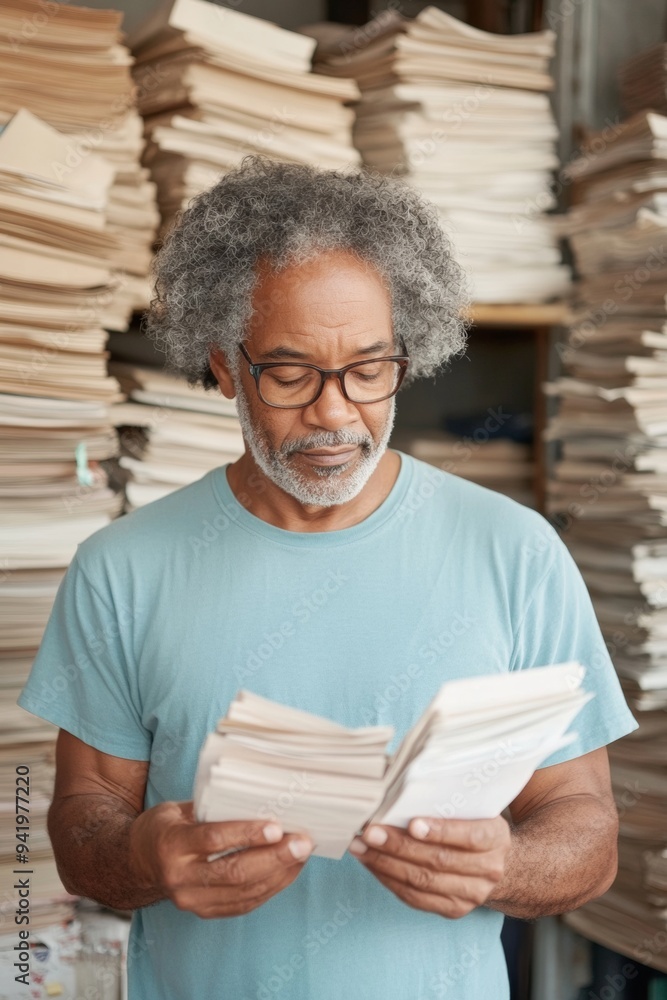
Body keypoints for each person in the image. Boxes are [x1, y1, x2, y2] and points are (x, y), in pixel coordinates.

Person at [19, 157, 636, 1000]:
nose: (335, 412)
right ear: (226, 366)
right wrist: (138, 858)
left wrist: (512, 864)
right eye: (290, 372)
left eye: (369, 369)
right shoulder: (123, 568)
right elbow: (79, 826)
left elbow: (588, 833)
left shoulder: (514, 551)